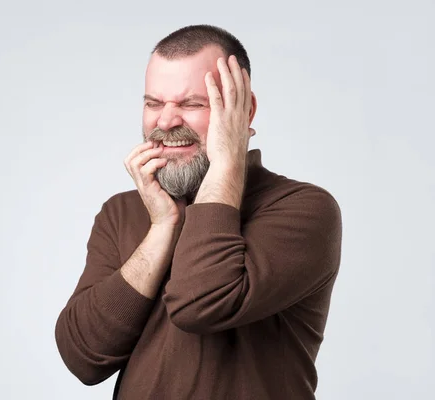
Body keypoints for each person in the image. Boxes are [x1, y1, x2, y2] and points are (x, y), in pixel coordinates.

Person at [54, 24, 342, 400]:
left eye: (192, 104)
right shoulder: (122, 211)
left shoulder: (303, 209)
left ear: (244, 110)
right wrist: (163, 226)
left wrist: (226, 164)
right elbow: (83, 358)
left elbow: (198, 305)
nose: (165, 122)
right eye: (154, 104)